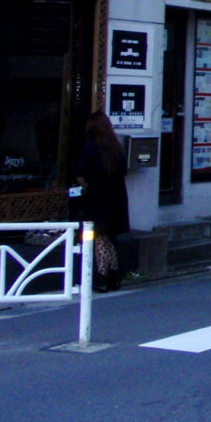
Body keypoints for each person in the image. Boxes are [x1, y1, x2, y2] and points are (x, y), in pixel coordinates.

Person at [74, 111, 130, 292]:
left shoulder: (90, 146)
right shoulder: (115, 146)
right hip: (116, 198)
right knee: (110, 238)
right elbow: (124, 171)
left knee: (98, 238)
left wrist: (86, 187)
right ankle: (114, 276)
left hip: (97, 198)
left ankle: (102, 277)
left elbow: (81, 172)